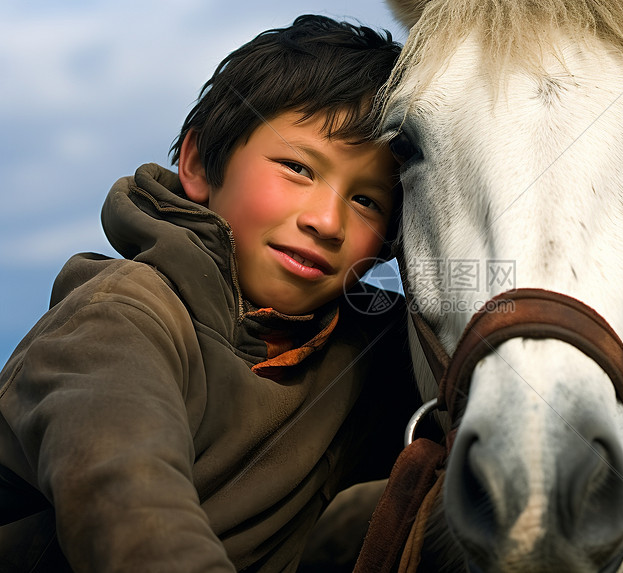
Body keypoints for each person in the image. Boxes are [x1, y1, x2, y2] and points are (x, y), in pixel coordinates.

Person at [0, 15, 416, 572]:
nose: (327, 220)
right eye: (297, 167)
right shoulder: (120, 318)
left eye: (367, 200)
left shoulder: (368, 350)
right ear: (198, 164)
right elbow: (127, 507)